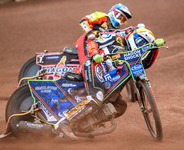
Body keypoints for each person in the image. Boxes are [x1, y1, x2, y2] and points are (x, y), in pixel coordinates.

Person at [55, 3, 132, 140]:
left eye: (124, 20)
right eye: (120, 16)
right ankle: (65, 121)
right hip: (87, 43)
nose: (121, 21)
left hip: (98, 56)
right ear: (113, 12)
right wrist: (90, 32)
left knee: (121, 105)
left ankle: (87, 124)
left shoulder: (114, 32)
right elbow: (84, 20)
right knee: (90, 64)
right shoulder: (102, 17)